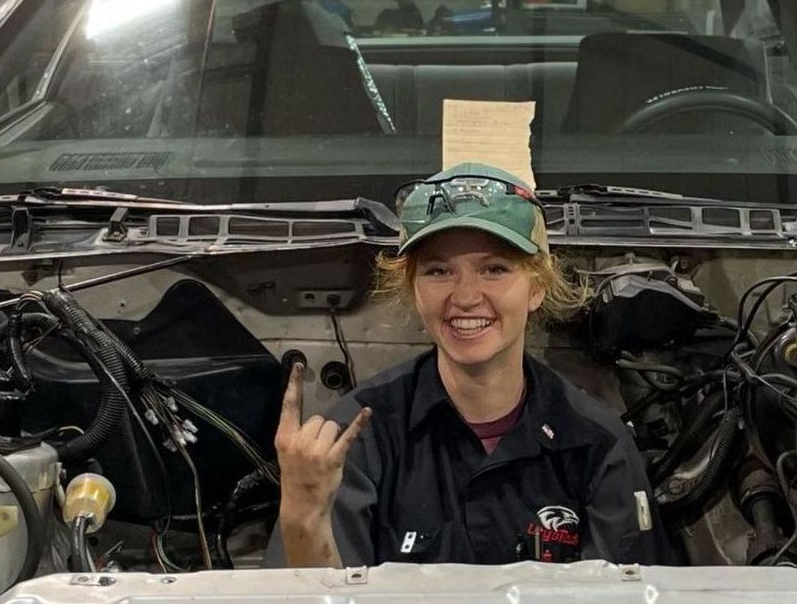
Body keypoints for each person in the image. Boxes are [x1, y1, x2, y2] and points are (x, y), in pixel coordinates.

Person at [273, 162, 664, 568]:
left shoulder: (597, 442)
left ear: (538, 287)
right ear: (414, 289)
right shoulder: (356, 438)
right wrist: (303, 516)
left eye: (494, 269)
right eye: (438, 271)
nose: (465, 296)